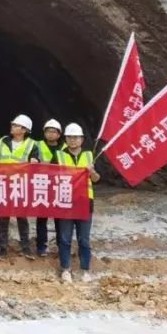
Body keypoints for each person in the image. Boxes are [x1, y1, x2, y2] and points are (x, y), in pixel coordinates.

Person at [0, 114, 39, 258]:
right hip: (3, 183)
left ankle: (26, 248)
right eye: (13, 125)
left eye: (16, 125)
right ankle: (3, 249)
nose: (13, 127)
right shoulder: (2, 141)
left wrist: (36, 162)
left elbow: (37, 165)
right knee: (4, 217)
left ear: (24, 130)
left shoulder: (32, 145)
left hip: (21, 185)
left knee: (21, 217)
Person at [56, 123, 101, 283]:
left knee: (84, 239)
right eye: (69, 137)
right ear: (65, 139)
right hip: (66, 202)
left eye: (75, 137)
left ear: (82, 139)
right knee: (65, 238)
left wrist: (92, 172)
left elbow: (96, 179)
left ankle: (85, 270)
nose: (72, 140)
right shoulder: (59, 156)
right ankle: (66, 269)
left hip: (85, 202)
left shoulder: (89, 156)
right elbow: (51, 177)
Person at [34, 119, 63, 257]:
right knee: (41, 218)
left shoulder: (64, 148)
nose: (50, 134)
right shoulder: (37, 145)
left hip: (59, 186)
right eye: (48, 131)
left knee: (60, 219)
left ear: (59, 134)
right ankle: (41, 247)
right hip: (42, 186)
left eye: (53, 131)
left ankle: (60, 245)